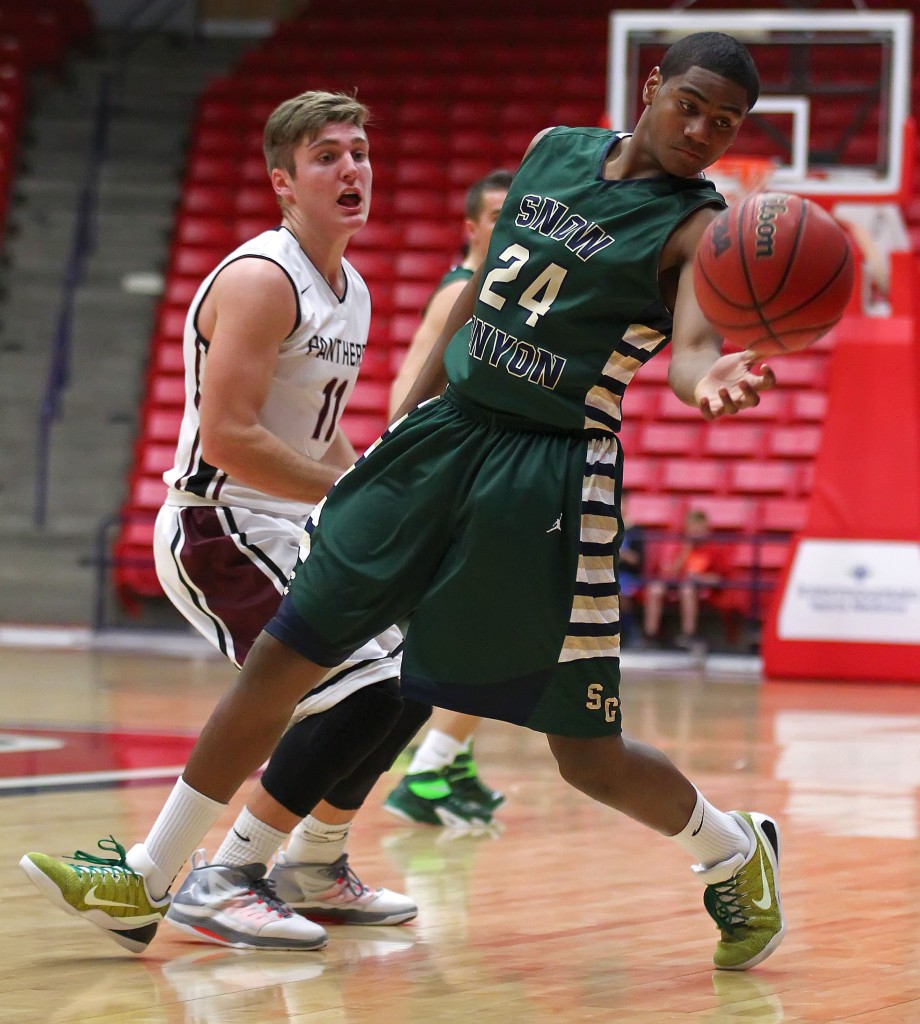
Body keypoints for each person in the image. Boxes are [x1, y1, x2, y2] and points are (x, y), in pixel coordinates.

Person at [22, 33, 785, 972]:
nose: (705, 131)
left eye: (728, 122)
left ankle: (735, 851)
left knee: (582, 752)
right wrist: (413, 417)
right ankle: (154, 876)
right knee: (287, 651)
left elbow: (697, 351)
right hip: (444, 434)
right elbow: (473, 304)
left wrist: (710, 382)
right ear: (653, 84)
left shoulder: (699, 226)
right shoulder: (553, 151)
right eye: (694, 104)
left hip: (549, 475)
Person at [25, 90, 428, 954]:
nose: (351, 168)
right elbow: (232, 439)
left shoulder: (348, 287)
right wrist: (346, 494)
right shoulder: (261, 277)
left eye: (358, 151)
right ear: (284, 182)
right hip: (221, 528)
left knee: (418, 672)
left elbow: (315, 429)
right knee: (365, 688)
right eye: (327, 156)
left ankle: (298, 867)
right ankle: (217, 877)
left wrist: (377, 482)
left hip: (286, 524)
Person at [384, 169, 513, 828]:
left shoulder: (491, 292)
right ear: (471, 226)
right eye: (495, 214)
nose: (506, 223)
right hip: (439, 488)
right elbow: (408, 399)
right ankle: (429, 769)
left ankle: (449, 762)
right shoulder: (463, 293)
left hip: (459, 484)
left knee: (498, 633)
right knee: (498, 637)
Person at [643, 506, 725, 650]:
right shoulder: (682, 547)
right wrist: (684, 552)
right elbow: (671, 573)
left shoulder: (714, 548)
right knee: (655, 589)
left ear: (705, 528)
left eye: (697, 527)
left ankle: (689, 635)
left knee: (687, 589)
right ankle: (651, 635)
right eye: (690, 527)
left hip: (700, 587)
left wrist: (699, 578)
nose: (693, 531)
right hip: (677, 584)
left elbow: (718, 578)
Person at [616, 489, 646, 646]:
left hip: (628, 575)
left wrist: (621, 551)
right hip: (608, 573)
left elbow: (637, 560)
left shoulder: (635, 530)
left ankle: (630, 632)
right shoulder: (606, 528)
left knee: (620, 592)